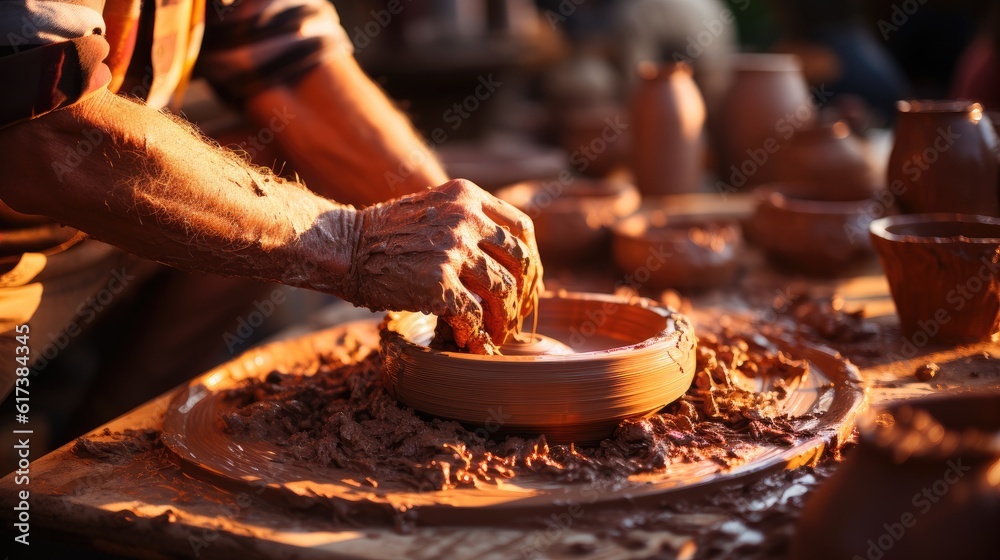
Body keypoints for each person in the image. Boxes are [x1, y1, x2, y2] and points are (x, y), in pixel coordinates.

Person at [0, 0, 542, 415]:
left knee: (274, 145)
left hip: (82, 222)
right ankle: (47, 482)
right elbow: (42, 138)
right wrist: (353, 243)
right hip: (14, 244)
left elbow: (292, 62)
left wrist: (459, 242)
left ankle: (116, 431)